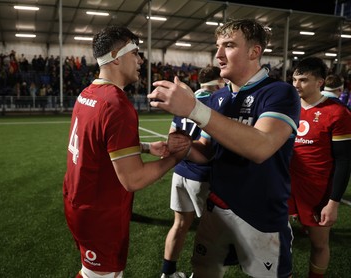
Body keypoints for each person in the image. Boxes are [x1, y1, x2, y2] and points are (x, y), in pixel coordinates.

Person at [148, 18, 301, 278]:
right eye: (218, 46)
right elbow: (207, 152)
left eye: (228, 46)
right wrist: (185, 147)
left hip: (261, 214)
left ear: (254, 52)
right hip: (216, 209)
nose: (218, 55)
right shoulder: (219, 98)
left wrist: (194, 109)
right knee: (204, 270)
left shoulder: (280, 93)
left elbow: (261, 147)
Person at [62, 26, 191, 278]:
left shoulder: (87, 94)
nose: (140, 60)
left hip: (79, 201)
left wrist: (145, 147)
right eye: (136, 53)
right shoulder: (116, 104)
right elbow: (133, 179)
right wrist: (175, 157)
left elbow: (97, 145)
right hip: (100, 212)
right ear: (117, 56)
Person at [290, 57, 351, 278]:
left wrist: (333, 203)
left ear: (320, 82)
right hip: (285, 185)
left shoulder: (337, 112)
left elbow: (344, 160)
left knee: (318, 244)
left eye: (303, 80)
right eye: (294, 79)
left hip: (317, 191)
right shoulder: (288, 106)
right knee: (275, 240)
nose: (296, 85)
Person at [161, 66, 223, 278]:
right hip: (201, 175)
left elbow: (171, 136)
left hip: (180, 172)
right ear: (216, 84)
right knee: (211, 234)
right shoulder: (213, 102)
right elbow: (205, 144)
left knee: (179, 224)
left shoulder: (184, 101)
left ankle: (167, 273)